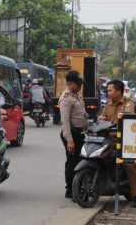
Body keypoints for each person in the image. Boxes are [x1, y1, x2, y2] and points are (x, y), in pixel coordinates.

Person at [97, 79, 136, 208]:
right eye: (107, 90)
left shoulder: (128, 103)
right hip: (109, 140)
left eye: (110, 90)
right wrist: (101, 118)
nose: (108, 93)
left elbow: (126, 117)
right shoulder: (108, 104)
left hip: (124, 140)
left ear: (118, 91)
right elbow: (103, 117)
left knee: (128, 163)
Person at [58, 71, 88, 199]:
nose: (80, 86)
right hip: (72, 133)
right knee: (72, 162)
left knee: (79, 160)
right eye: (78, 83)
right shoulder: (66, 98)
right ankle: (70, 189)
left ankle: (77, 186)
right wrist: (69, 140)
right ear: (69, 83)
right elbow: (65, 121)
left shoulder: (77, 95)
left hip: (80, 132)